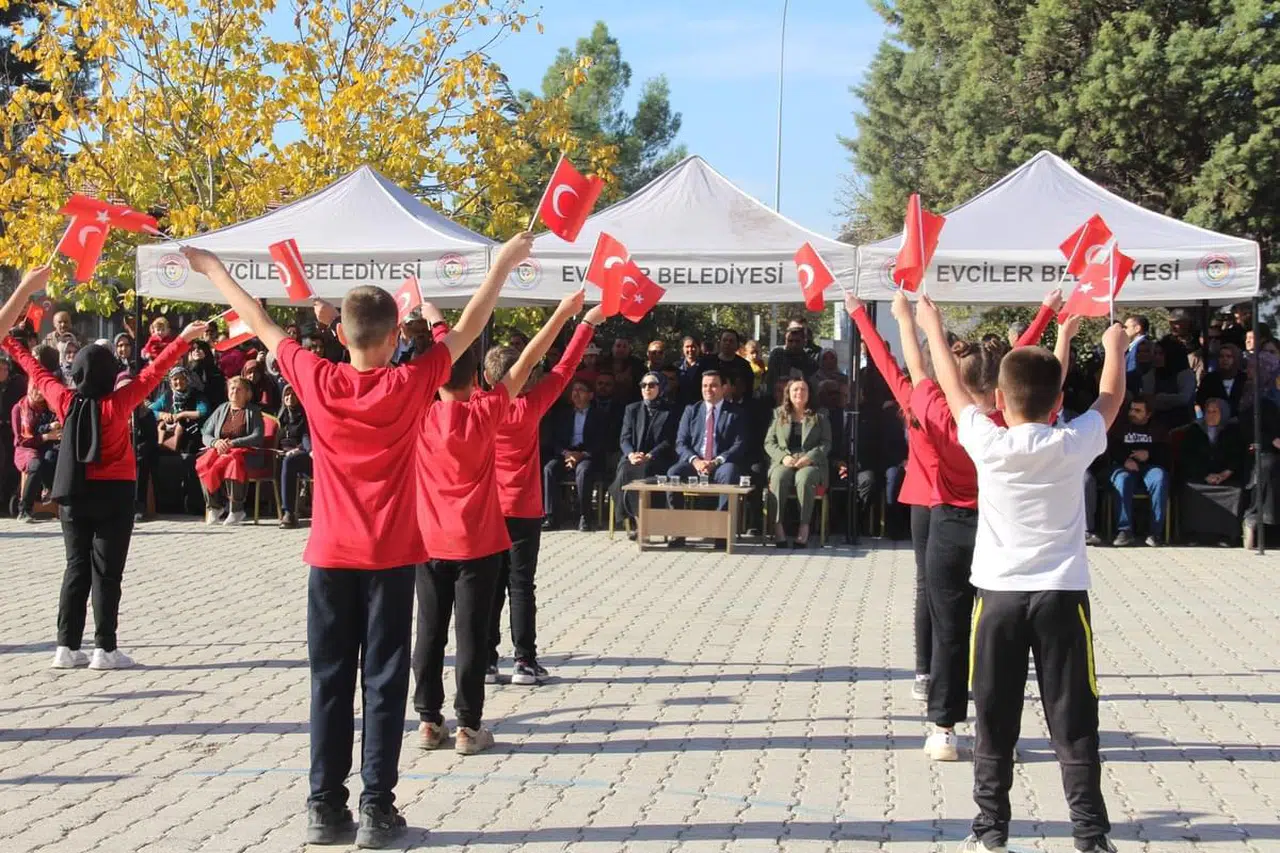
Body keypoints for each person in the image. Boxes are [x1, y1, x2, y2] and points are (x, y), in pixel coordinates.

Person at [181, 232, 527, 849]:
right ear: (397, 336)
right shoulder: (411, 383)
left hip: (330, 557)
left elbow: (259, 323)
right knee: (385, 682)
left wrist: (214, 270)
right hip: (392, 558)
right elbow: (469, 327)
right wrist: (501, 263)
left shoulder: (315, 377)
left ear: (340, 335)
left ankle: (322, 807)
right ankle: (376, 810)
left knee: (329, 679)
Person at [917, 291, 1125, 853]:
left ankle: (990, 833)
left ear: (1001, 402)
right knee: (1074, 721)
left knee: (994, 718)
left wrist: (932, 326)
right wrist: (1114, 345)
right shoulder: (1074, 442)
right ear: (1058, 400)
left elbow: (950, 385)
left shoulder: (987, 441)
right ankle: (1090, 837)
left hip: (999, 600)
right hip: (1062, 598)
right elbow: (1108, 397)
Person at [2, 267, 203, 671]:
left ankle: (64, 647)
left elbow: (34, 368)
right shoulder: (121, 402)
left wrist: (12, 339)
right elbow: (154, 371)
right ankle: (105, 649)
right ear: (112, 373)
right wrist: (183, 339)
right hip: (114, 494)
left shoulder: (62, 398)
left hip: (73, 493)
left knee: (75, 566)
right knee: (107, 572)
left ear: (75, 373)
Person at [413, 290, 582, 757]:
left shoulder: (420, 415)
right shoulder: (490, 411)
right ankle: (468, 728)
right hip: (478, 543)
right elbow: (531, 360)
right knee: (471, 633)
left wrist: (434, 321)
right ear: (476, 384)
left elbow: (447, 361)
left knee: (429, 630)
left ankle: (428, 720)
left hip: (428, 540)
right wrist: (567, 315)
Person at [487, 301, 605, 686]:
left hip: (486, 508)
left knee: (489, 585)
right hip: (522, 507)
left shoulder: (479, 405)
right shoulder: (530, 405)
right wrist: (586, 323)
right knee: (521, 584)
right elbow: (565, 367)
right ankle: (524, 661)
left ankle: (487, 659)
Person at [911, 312, 1002, 763]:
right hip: (997, 530)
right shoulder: (1010, 419)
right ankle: (994, 732)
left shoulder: (941, 411)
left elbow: (917, 367)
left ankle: (943, 730)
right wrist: (1056, 324)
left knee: (949, 632)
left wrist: (919, 323)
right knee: (994, 637)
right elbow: (1050, 374)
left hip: (947, 527)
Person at [847, 291, 938, 701]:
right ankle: (959, 671)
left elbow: (886, 360)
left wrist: (859, 314)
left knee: (925, 586)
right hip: (967, 509)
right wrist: (1050, 319)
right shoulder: (975, 411)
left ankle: (924, 673)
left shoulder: (918, 400)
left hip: (924, 503)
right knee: (965, 592)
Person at [666, 370, 746, 548]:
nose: (708, 389)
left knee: (730, 472)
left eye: (713, 385)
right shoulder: (691, 410)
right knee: (673, 473)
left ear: (724, 388)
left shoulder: (735, 413)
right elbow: (680, 443)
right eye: (705, 386)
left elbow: (739, 444)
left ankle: (720, 532)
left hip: (720, 464)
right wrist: (695, 461)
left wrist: (716, 461)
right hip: (695, 463)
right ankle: (677, 531)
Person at [764, 378, 831, 548]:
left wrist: (809, 458)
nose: (799, 393)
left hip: (810, 461)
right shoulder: (779, 414)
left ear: (809, 394)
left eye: (803, 389)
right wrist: (783, 458)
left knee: (805, 478)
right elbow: (769, 442)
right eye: (795, 390)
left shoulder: (820, 415)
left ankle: (804, 526)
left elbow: (826, 443)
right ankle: (778, 526)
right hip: (785, 459)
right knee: (779, 477)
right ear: (788, 393)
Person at [610, 370, 679, 535]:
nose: (647, 388)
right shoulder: (632, 409)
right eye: (643, 385)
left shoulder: (670, 411)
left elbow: (669, 441)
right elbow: (624, 438)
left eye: (652, 385)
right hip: (633, 457)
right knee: (625, 470)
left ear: (661, 388)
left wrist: (650, 455)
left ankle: (642, 522)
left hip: (658, 458)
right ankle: (635, 521)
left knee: (645, 471)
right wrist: (631, 454)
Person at [196, 376, 265, 526]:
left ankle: (237, 510)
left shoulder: (253, 411)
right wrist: (215, 442)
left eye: (239, 389)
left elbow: (257, 436)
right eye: (232, 388)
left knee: (232, 462)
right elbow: (205, 433)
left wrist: (233, 443)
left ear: (248, 394)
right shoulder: (222, 409)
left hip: (245, 452)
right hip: (221, 449)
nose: (234, 391)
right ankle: (214, 507)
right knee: (204, 462)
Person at [1179, 397, 1247, 546]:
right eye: (1208, 412)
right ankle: (1194, 535)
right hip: (1201, 476)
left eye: (1215, 412)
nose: (1210, 415)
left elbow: (1238, 456)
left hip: (1226, 477)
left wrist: (1225, 474)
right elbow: (1188, 457)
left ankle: (1225, 536)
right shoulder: (1195, 430)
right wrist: (1205, 475)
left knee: (1234, 492)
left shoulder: (1233, 430)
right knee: (1191, 490)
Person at [541, 379, 605, 531]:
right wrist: (567, 453)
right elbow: (554, 440)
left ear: (590, 395)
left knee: (583, 471)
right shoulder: (563, 414)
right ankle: (551, 517)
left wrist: (581, 455)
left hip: (587, 455)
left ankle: (585, 516)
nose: (576, 393)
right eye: (574, 390)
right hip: (566, 454)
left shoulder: (599, 415)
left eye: (580, 390)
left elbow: (601, 442)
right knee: (549, 469)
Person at [1107, 396, 1168, 547]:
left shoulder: (1158, 428)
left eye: (1138, 410)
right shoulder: (1120, 426)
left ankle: (1155, 533)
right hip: (1125, 466)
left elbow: (1167, 453)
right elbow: (1110, 449)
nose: (1132, 413)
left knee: (1160, 477)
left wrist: (1149, 455)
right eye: (1131, 409)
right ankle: (1124, 531)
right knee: (1122, 479)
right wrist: (1124, 460)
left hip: (1150, 467)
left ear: (1148, 414)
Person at [150, 365, 209, 514]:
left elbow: (203, 411)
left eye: (182, 379)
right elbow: (151, 409)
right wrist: (162, 415)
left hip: (191, 439)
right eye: (175, 379)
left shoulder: (196, 395)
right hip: (170, 443)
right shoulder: (168, 396)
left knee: (190, 466)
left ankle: (192, 506)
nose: (179, 383)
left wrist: (182, 415)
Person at [13, 382, 60, 522]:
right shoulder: (19, 409)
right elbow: (21, 440)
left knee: (54, 458)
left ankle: (54, 500)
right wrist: (46, 436)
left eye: (41, 390)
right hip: (25, 449)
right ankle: (24, 509)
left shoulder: (47, 408)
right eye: (35, 389)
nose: (39, 393)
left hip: (45, 446)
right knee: (36, 464)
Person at [277, 384, 312, 529]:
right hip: (282, 454)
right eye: (287, 395)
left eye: (293, 395)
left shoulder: (305, 417)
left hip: (304, 454)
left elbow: (307, 438)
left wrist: (298, 449)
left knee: (290, 461)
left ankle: (289, 513)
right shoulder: (280, 417)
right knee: (283, 461)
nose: (289, 398)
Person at [129, 380, 158, 523]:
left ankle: (139, 506)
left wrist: (137, 449)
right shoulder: (118, 411)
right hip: (122, 450)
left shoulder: (146, 414)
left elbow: (152, 439)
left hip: (142, 451)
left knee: (140, 464)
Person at [704, 328, 755, 399]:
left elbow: (748, 391)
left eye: (731, 341)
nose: (727, 343)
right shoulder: (708, 362)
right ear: (720, 343)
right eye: (724, 340)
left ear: (737, 345)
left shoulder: (744, 365)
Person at [1197, 343, 1245, 415]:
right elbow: (1201, 400)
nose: (1224, 359)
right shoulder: (1209, 379)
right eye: (1221, 356)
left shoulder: (1244, 378)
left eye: (1229, 356)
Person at [677, 336, 705, 406]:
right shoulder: (676, 367)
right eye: (687, 347)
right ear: (683, 349)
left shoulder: (706, 366)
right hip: (680, 405)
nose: (690, 349)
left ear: (699, 348)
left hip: (700, 405)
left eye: (693, 346)